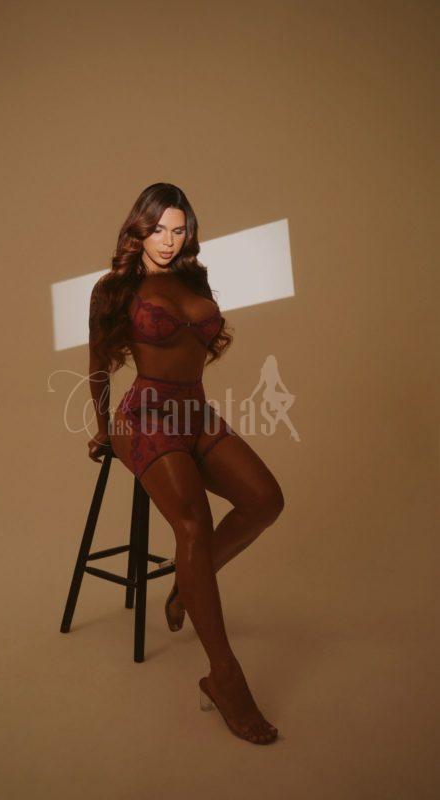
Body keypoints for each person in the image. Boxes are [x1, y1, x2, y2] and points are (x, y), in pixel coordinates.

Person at [87, 182, 284, 745]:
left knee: (265, 501)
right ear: (139, 229)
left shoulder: (193, 279)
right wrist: (102, 427)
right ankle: (226, 678)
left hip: (194, 412)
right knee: (193, 525)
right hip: (143, 416)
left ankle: (186, 583)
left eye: (178, 231)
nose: (168, 241)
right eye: (158, 230)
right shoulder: (114, 288)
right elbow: (97, 364)